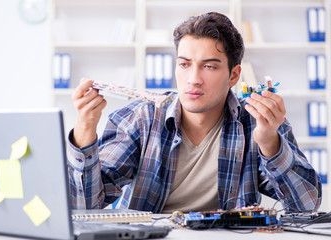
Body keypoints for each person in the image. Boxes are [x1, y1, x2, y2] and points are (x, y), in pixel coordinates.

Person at [67, 12, 322, 213]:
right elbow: (83, 207)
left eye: (209, 67)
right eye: (185, 64)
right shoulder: (140, 119)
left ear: (234, 75)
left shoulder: (259, 123)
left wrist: (269, 142)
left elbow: (306, 206)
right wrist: (84, 131)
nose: (193, 79)